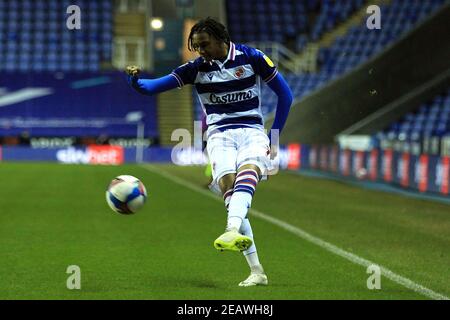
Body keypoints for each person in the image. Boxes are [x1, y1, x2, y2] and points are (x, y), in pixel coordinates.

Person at [126, 17, 292, 287]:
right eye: (196, 46)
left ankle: (230, 230)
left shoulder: (253, 58)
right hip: (218, 135)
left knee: (247, 174)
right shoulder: (195, 69)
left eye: (204, 45)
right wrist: (135, 82)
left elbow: (285, 96)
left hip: (251, 130)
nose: (200, 51)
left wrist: (275, 136)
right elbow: (152, 87)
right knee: (230, 192)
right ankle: (257, 271)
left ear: (221, 39)